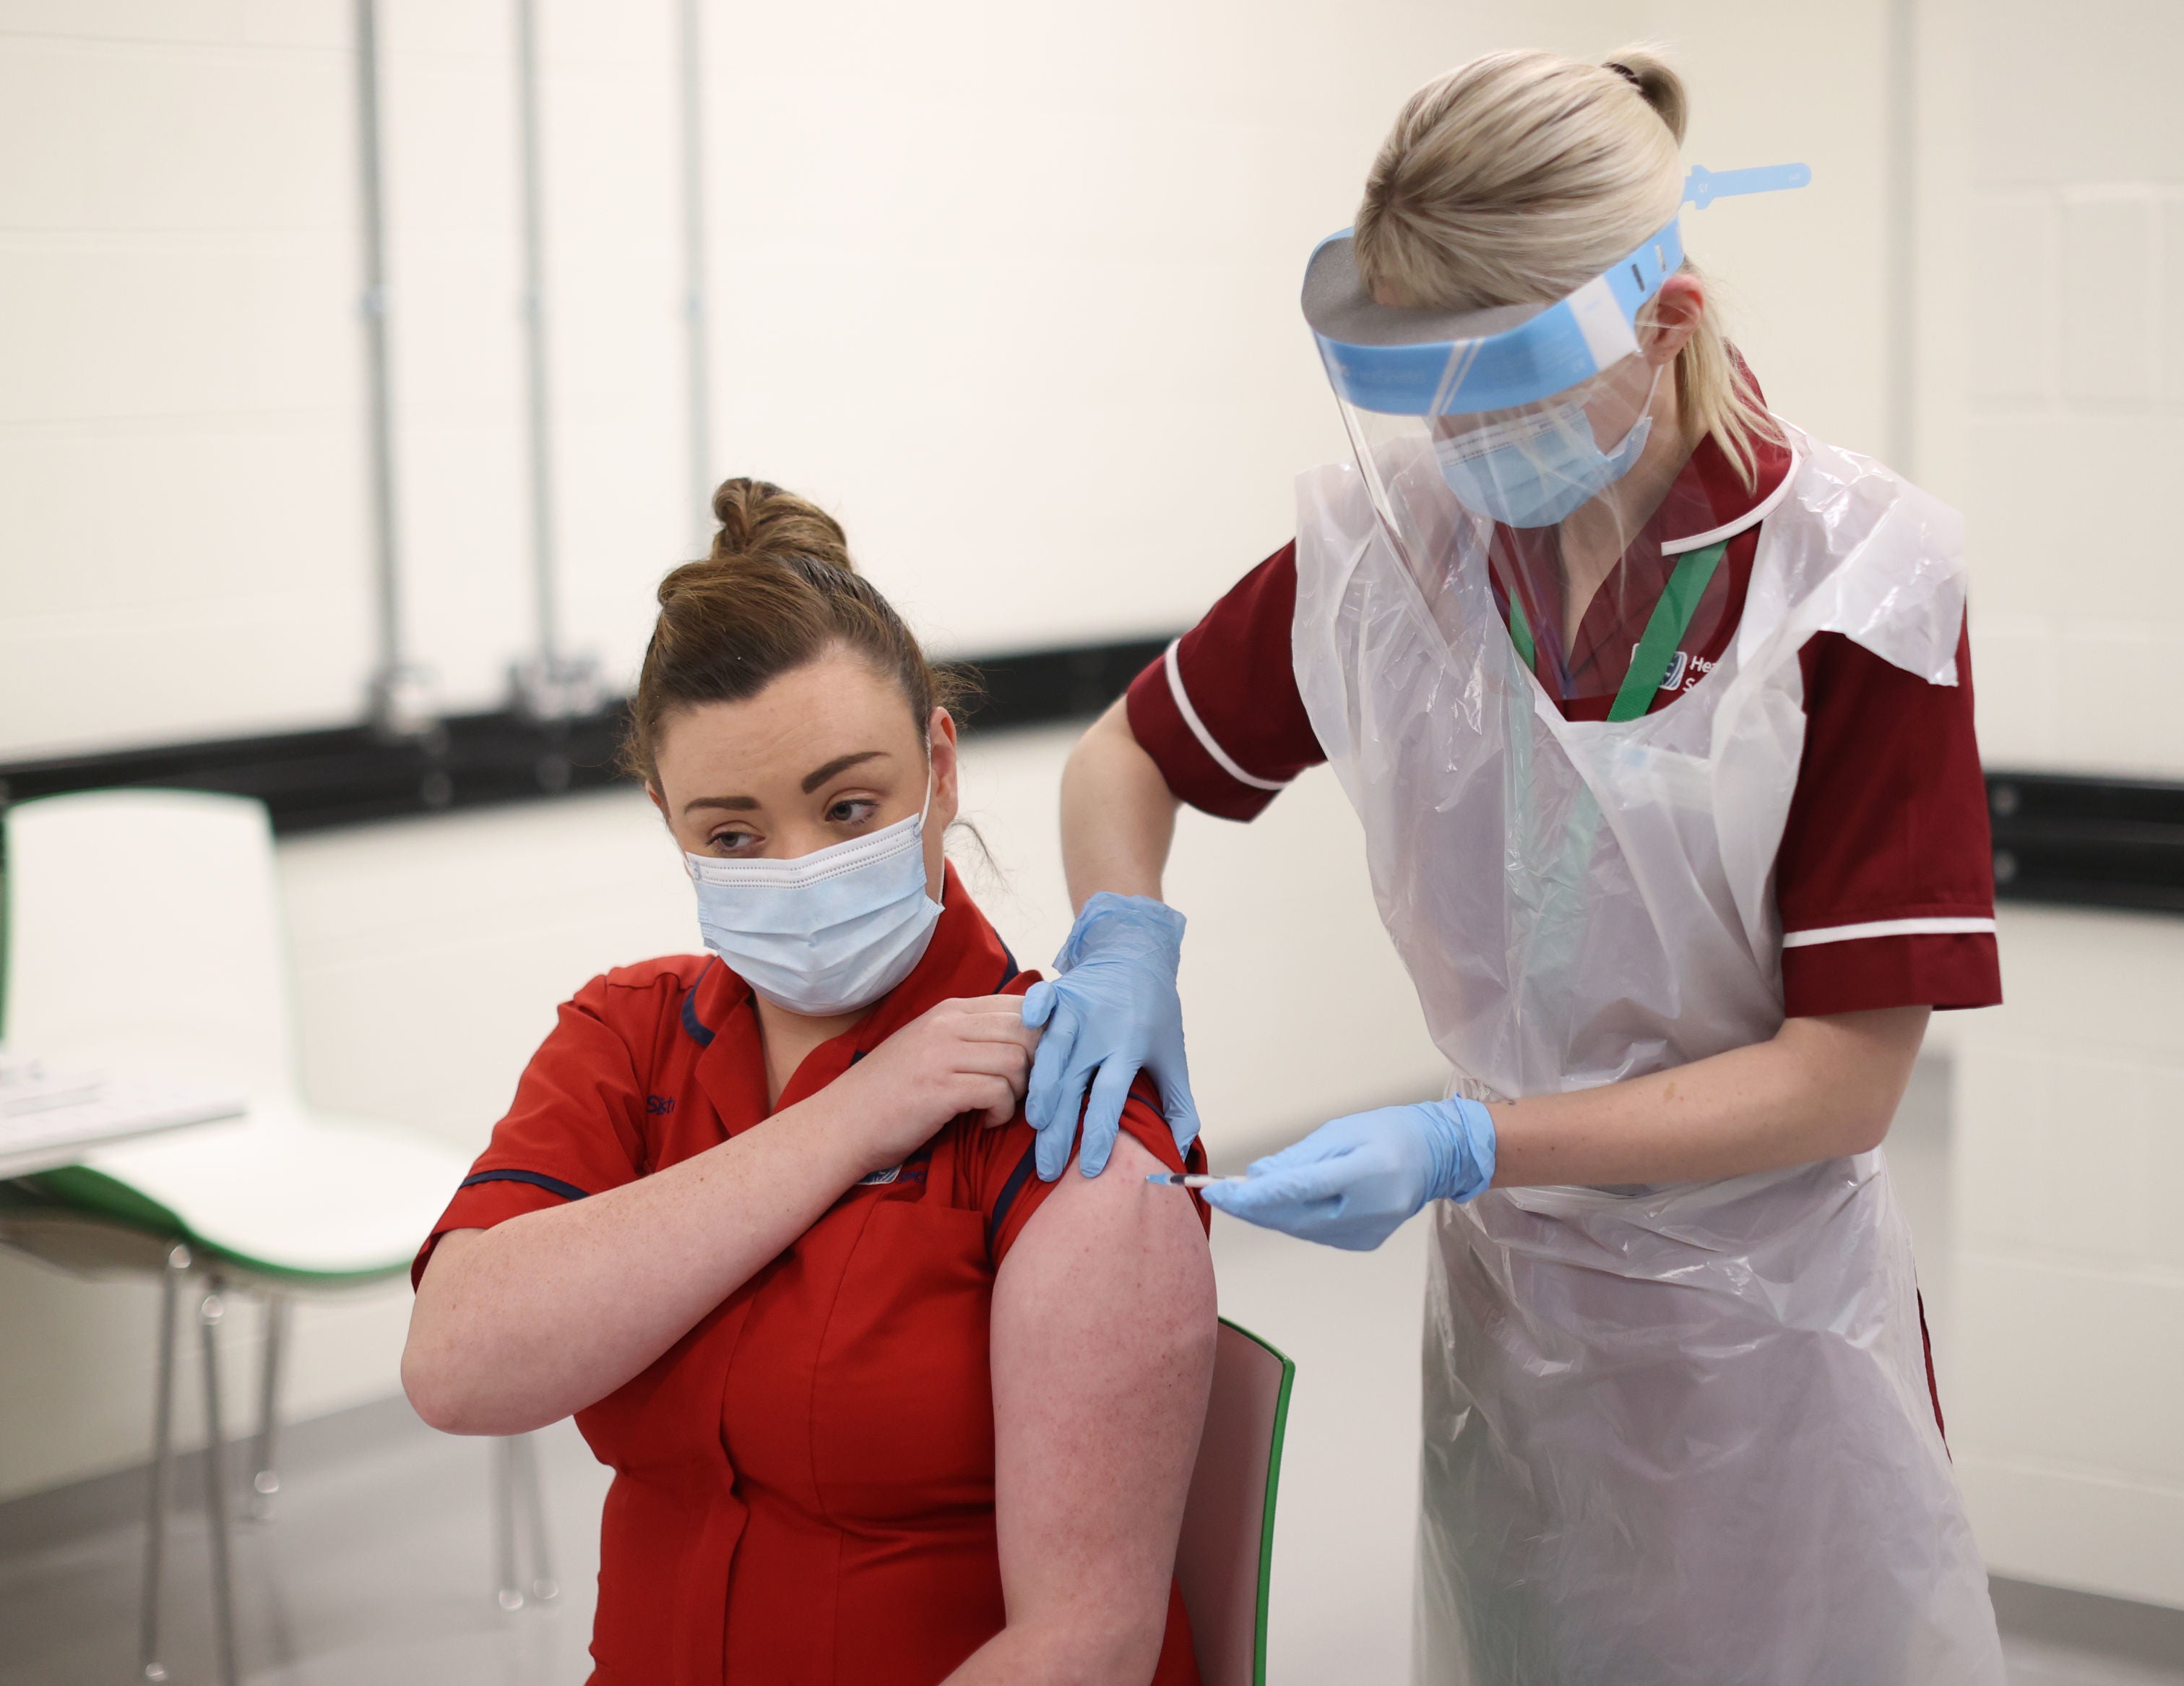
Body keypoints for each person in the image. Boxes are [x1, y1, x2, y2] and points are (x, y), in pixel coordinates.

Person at [1025, 46, 2007, 1685]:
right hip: (1517, 1318)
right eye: (1425, 388)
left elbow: (1841, 1082)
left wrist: (1472, 1138)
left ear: (1667, 321)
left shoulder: (1858, 590)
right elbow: (1124, 757)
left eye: (1504, 390)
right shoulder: (1393, 552)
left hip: (1767, 1330)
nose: (1459, 442)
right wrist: (1123, 940)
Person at [401, 480, 1216, 1686]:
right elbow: (458, 1364)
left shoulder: (1065, 1114)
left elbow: (1083, 1646)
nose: (801, 867)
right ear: (664, 817)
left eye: (848, 806)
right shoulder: (633, 1038)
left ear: (940, 767)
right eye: (732, 835)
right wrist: (849, 1118)